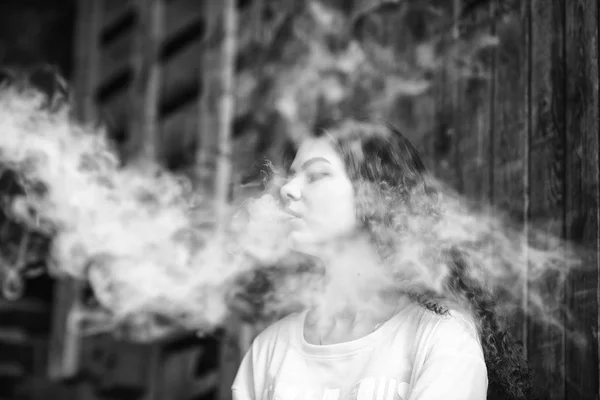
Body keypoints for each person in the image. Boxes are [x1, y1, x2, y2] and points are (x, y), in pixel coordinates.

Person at [231, 120, 533, 400]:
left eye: (317, 175)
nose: (286, 189)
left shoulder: (440, 338)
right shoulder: (269, 350)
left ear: (377, 196)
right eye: (293, 175)